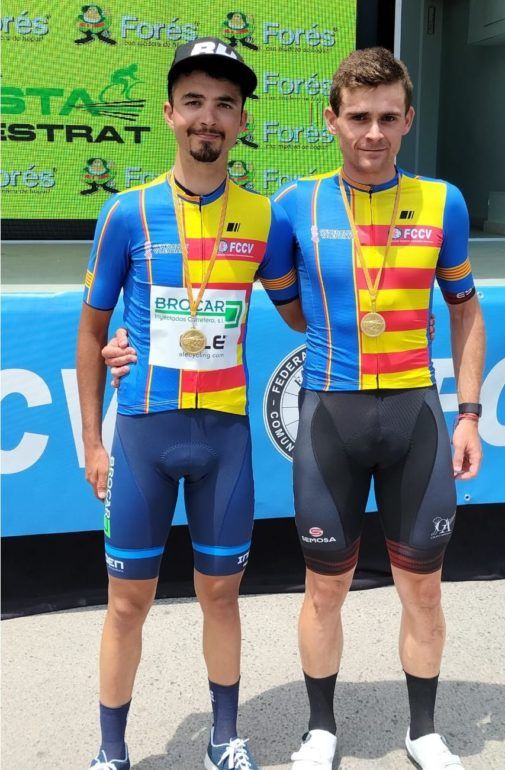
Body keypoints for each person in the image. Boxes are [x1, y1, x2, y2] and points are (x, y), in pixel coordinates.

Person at [104, 46, 485, 770]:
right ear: (331, 120)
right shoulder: (290, 207)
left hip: (417, 418)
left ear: (408, 120)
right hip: (330, 419)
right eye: (358, 117)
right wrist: (130, 339)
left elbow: (466, 311)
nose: (373, 133)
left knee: (424, 590)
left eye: (387, 118)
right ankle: (320, 730)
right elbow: (231, 284)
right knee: (324, 588)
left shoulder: (445, 202)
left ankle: (423, 730)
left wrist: (468, 413)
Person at [77, 37, 303, 770]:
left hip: (224, 440)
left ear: (242, 121)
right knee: (126, 603)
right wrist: (93, 442)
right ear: (171, 113)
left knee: (221, 596)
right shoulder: (126, 213)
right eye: (195, 102)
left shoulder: (265, 219)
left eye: (225, 104)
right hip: (143, 435)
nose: (210, 116)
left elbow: (303, 313)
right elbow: (92, 332)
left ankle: (224, 739)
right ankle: (112, 753)